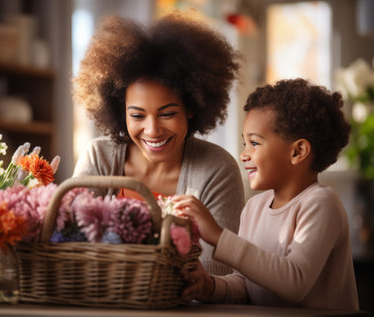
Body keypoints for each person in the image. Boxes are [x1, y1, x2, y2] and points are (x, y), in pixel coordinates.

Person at [73, 11, 245, 275]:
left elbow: (216, 271)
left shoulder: (217, 169)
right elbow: (70, 245)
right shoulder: (99, 157)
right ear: (120, 111)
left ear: (191, 107)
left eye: (167, 114)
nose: (152, 131)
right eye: (137, 115)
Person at [174, 78, 359, 310]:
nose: (244, 154)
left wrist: (219, 237)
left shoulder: (322, 203)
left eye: (254, 143)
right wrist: (209, 286)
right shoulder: (254, 207)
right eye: (244, 143)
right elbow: (245, 285)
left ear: (298, 151)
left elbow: (295, 281)